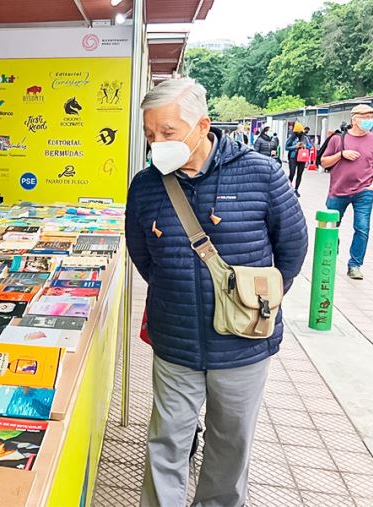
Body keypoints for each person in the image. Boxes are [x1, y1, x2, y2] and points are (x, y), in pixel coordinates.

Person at [125, 78, 307, 507]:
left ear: (202, 124)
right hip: (176, 340)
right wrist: (179, 294)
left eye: (167, 133)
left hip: (243, 343)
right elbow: (142, 254)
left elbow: (292, 250)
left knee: (229, 446)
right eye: (150, 135)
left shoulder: (260, 173)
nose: (157, 144)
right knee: (166, 441)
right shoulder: (147, 184)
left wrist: (253, 302)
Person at [320, 104, 373, 280]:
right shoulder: (338, 139)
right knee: (331, 226)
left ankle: (355, 265)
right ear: (354, 119)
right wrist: (341, 154)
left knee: (362, 228)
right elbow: (324, 162)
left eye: (371, 117)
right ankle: (329, 255)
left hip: (364, 192)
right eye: (365, 117)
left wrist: (372, 185)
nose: (369, 121)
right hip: (338, 190)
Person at [286, 122, 313, 196]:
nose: (299, 133)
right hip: (293, 157)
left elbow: (310, 146)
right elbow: (286, 147)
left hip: (302, 157)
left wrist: (304, 146)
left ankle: (296, 189)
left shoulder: (305, 138)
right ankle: (288, 188)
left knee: (299, 174)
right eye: (297, 132)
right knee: (292, 173)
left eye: (300, 132)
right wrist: (295, 146)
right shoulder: (291, 138)